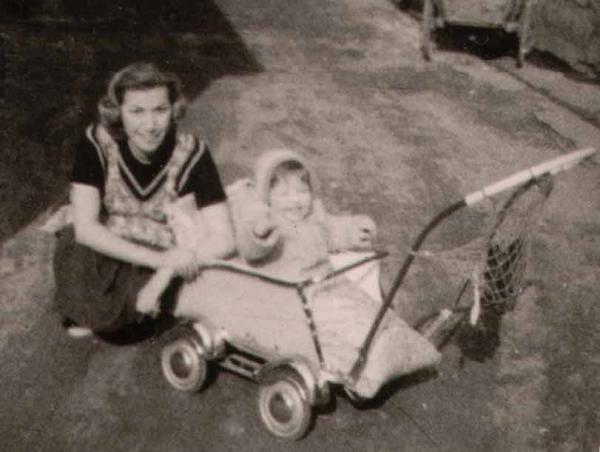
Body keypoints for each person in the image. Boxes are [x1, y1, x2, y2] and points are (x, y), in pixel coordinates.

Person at [225, 149, 440, 398]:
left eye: (302, 192)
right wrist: (258, 234)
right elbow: (250, 250)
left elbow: (332, 230)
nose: (295, 201)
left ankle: (395, 345)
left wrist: (352, 230)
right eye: (283, 195)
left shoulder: (313, 215)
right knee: (343, 329)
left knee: (371, 312)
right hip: (296, 298)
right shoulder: (269, 224)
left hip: (331, 284)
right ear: (267, 197)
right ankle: (364, 369)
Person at [51, 62, 235, 337]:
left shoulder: (192, 152)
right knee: (73, 246)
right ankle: (94, 309)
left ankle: (122, 312)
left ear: (173, 109)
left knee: (168, 301)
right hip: (108, 244)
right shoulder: (97, 141)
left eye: (160, 110)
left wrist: (168, 268)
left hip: (157, 249)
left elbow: (225, 238)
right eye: (136, 111)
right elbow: (86, 229)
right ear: (118, 112)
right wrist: (161, 262)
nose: (149, 126)